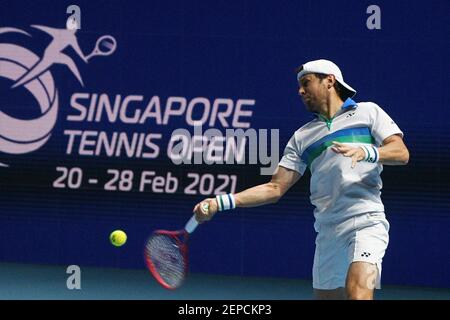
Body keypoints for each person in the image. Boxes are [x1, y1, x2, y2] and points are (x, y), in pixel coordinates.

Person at [192, 59, 409, 300]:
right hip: (328, 232)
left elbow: (401, 153)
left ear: (329, 80)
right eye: (299, 86)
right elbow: (275, 187)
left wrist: (367, 152)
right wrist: (219, 202)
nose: (300, 91)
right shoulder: (302, 137)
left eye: (306, 83)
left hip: (367, 222)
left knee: (359, 293)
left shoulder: (368, 112)